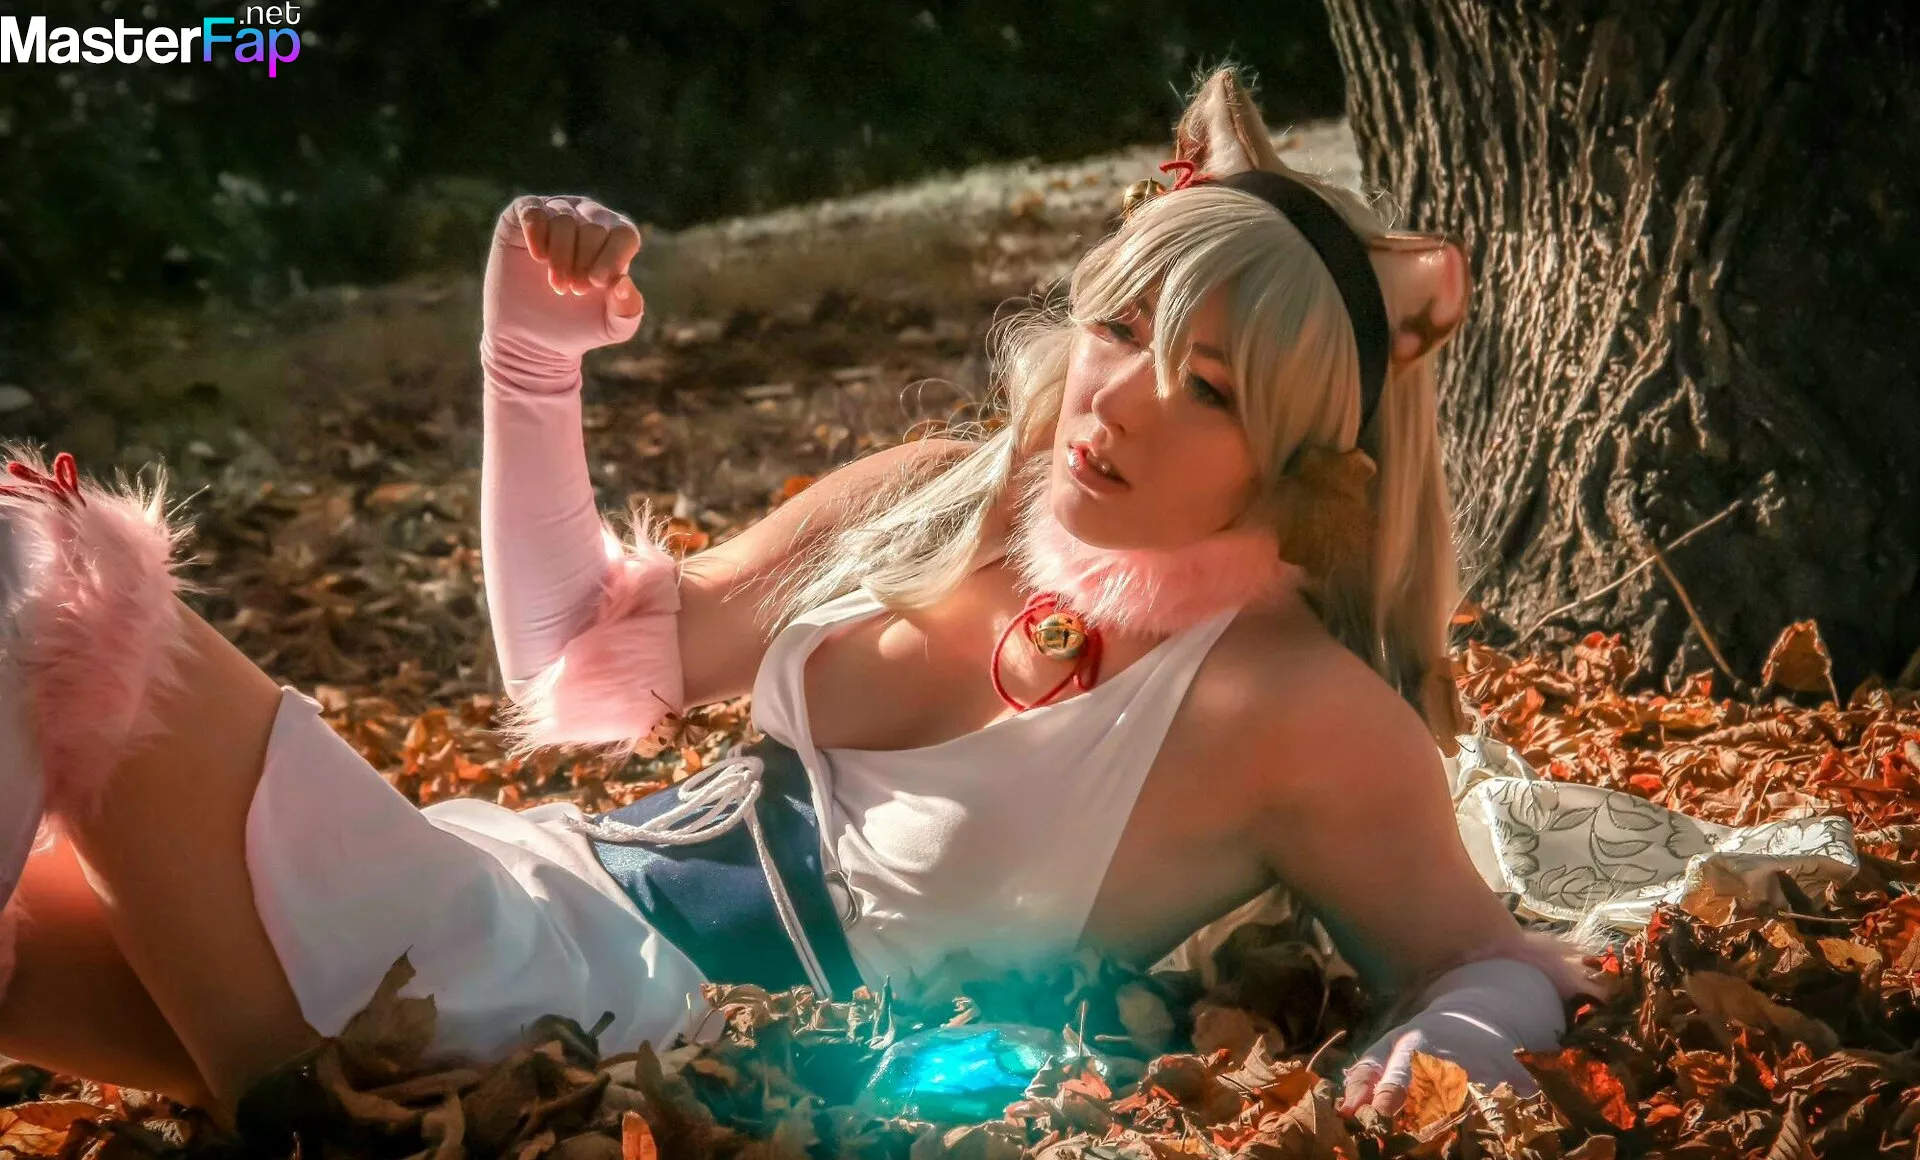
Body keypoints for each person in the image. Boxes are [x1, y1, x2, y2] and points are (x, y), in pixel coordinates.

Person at [0, 68, 1591, 1125]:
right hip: (518, 897)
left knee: (42, 561)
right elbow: (575, 656)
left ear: (1297, 463)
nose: (1119, 398)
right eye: (1117, 329)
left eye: (1211, 387)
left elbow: (1494, 959)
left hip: (599, 1044)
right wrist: (531, 363)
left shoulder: (1287, 700)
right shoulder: (942, 494)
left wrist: (1431, 1064)